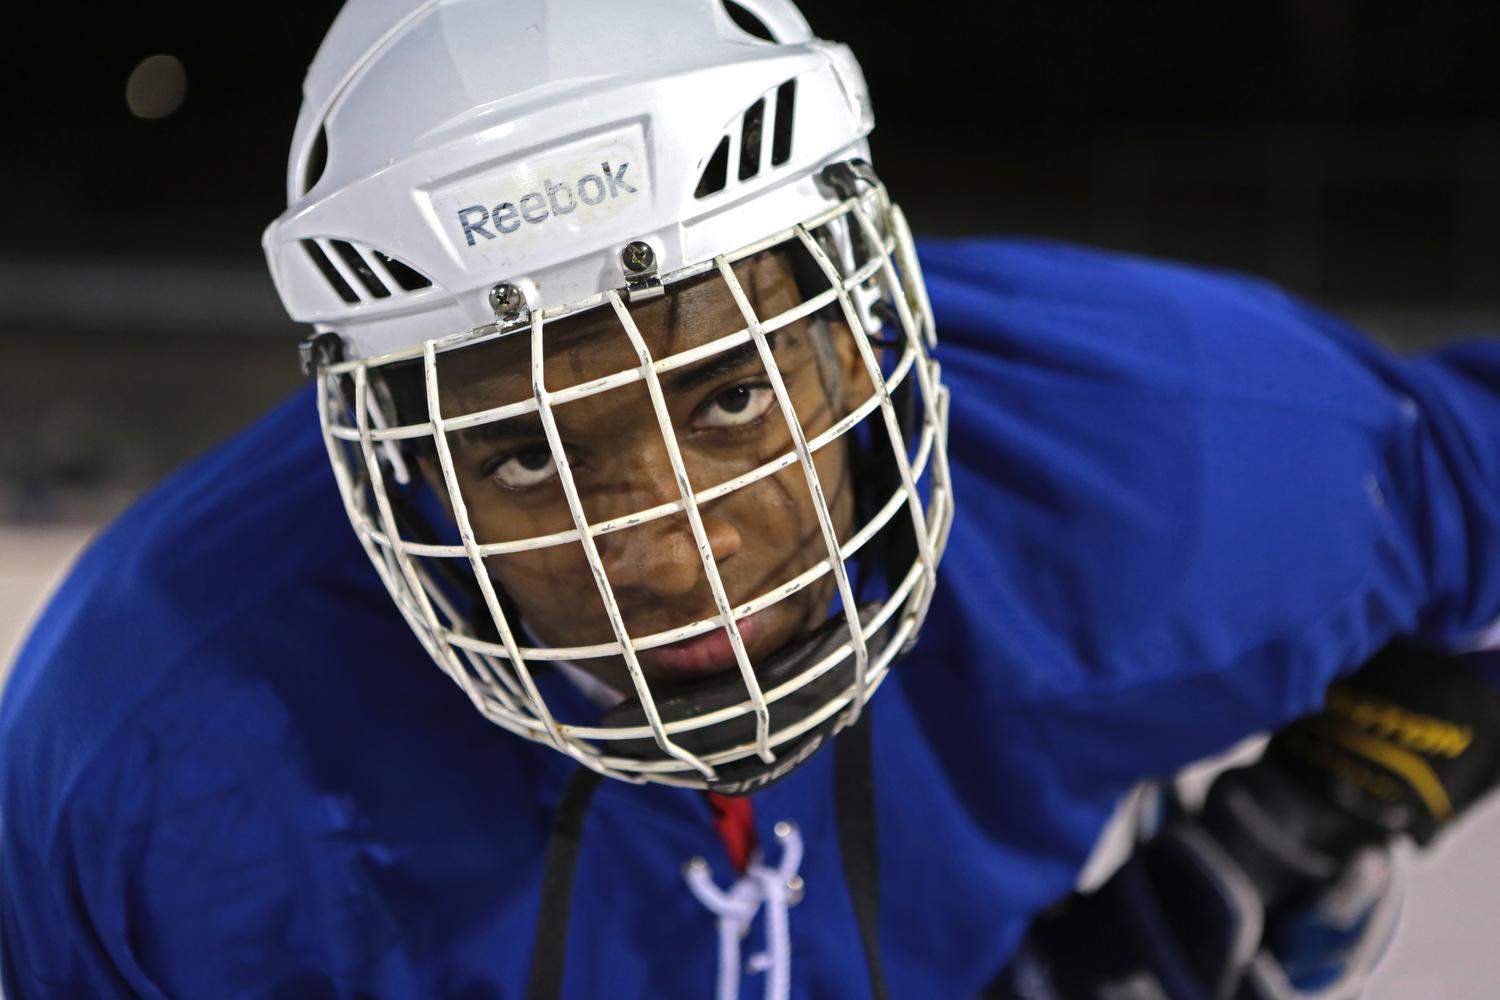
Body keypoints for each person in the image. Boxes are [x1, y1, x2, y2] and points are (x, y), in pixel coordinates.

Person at [4, 1, 1500, 997]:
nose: (673, 553)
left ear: (860, 339)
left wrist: (1302, 818)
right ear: (397, 455)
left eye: (728, 398)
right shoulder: (151, 752)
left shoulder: (1147, 455)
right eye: (530, 453)